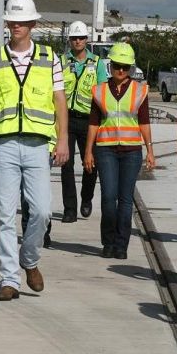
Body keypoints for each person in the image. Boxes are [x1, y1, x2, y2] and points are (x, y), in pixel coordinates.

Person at [0, 0, 69, 301]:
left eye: (20, 21)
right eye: (11, 21)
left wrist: (63, 139)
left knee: (41, 211)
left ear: (31, 23)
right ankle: (9, 279)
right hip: (3, 144)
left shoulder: (49, 57)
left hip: (38, 145)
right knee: (4, 215)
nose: (15, 25)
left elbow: (59, 102)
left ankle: (30, 259)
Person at [84, 42, 156, 259]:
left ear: (131, 68)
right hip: (105, 150)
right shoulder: (98, 91)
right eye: (117, 66)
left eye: (125, 67)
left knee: (125, 199)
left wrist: (150, 150)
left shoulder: (140, 91)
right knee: (108, 197)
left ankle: (121, 245)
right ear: (111, 66)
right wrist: (88, 151)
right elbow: (93, 123)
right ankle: (108, 242)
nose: (121, 71)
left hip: (132, 152)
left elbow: (144, 122)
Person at [60, 20, 109, 222]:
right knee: (66, 164)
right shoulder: (62, 62)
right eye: (74, 38)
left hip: (89, 120)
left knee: (91, 163)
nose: (77, 41)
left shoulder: (97, 63)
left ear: (86, 40)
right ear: (69, 40)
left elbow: (102, 93)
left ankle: (86, 198)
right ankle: (69, 209)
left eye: (81, 38)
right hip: (67, 118)